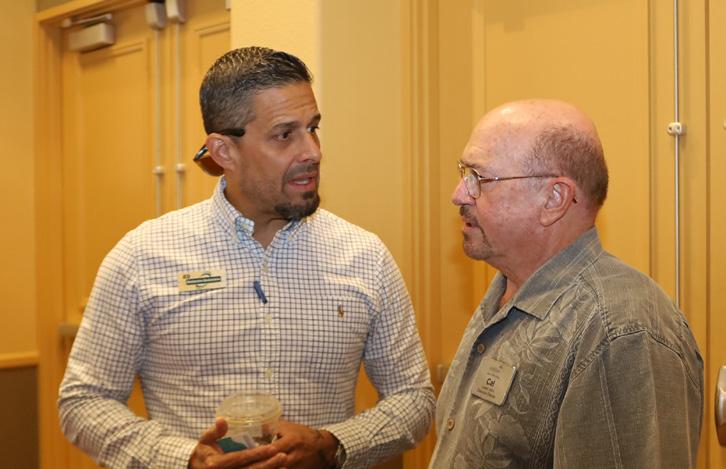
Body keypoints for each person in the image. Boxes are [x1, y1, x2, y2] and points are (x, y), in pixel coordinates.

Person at [59, 46, 434, 469]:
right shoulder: (142, 257)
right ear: (223, 152)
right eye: (284, 135)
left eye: (313, 128)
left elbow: (413, 399)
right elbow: (84, 401)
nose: (312, 152)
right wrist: (184, 459)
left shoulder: (365, 257)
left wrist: (331, 444)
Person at [429, 99, 703, 468]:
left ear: (554, 199)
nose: (459, 194)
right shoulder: (507, 291)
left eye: (480, 178)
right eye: (464, 173)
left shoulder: (621, 332)